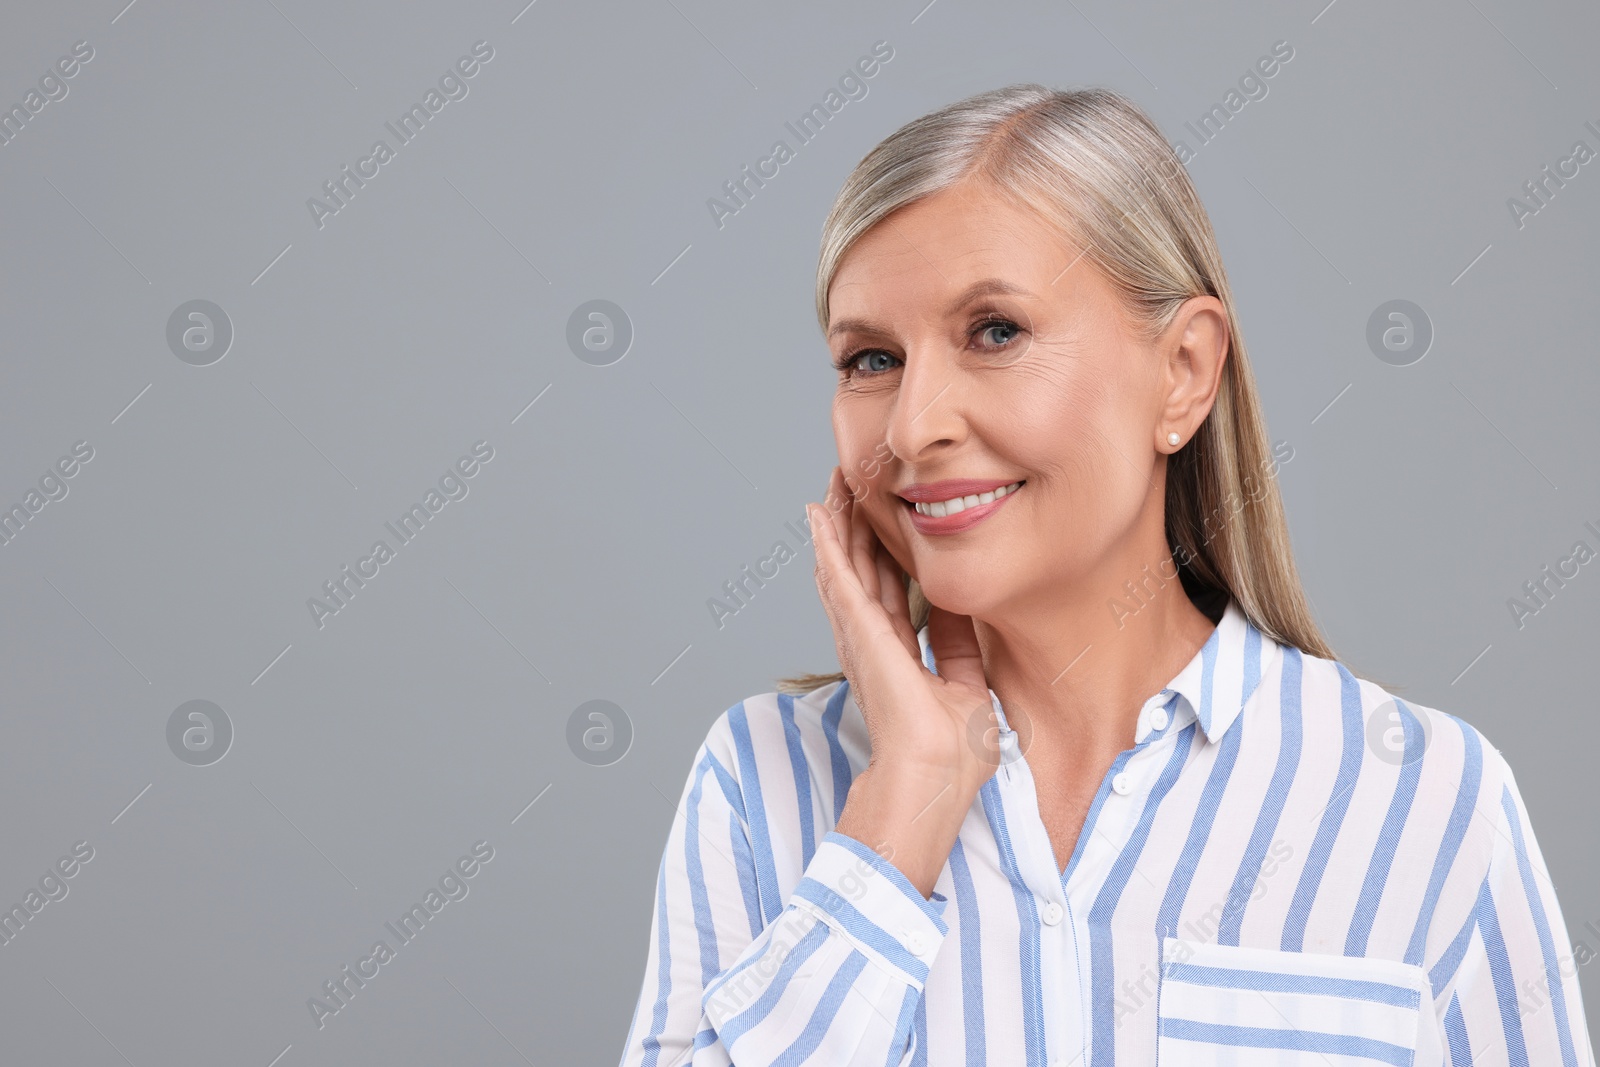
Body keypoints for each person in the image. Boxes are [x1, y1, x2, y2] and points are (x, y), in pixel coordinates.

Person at [617, 83, 1594, 1066]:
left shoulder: (1422, 796)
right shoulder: (758, 780)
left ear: (1182, 372)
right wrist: (896, 816)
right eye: (870, 358)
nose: (913, 428)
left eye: (994, 331)